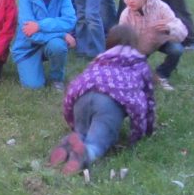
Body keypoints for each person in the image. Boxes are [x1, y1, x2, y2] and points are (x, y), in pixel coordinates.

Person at [49, 25, 157, 175]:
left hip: (81, 97)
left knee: (82, 131)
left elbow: (74, 87)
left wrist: (71, 120)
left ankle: (70, 143)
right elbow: (147, 102)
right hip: (109, 102)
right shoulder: (139, 63)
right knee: (97, 142)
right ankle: (85, 154)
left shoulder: (99, 60)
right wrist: (144, 131)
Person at [11, 0, 77, 90]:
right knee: (33, 86)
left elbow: (69, 21)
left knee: (58, 46)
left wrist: (40, 25)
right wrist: (62, 34)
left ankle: (57, 78)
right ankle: (32, 64)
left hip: (51, 42)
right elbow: (29, 32)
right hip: (28, 46)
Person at [118, 0, 187, 91]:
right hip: (140, 46)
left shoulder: (161, 7)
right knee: (131, 75)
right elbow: (121, 38)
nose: (131, 1)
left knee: (176, 49)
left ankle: (162, 75)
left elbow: (181, 30)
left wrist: (169, 28)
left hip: (161, 40)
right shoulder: (126, 15)